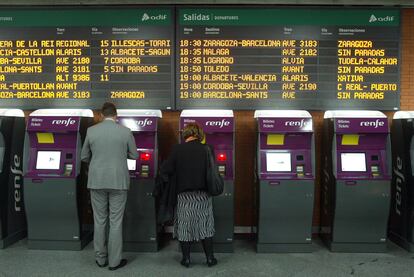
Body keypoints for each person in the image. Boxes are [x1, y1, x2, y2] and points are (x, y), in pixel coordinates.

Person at [81, 102, 138, 271]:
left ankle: (100, 259)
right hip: (118, 181)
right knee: (115, 222)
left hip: (97, 181)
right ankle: (114, 262)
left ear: (100, 115)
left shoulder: (92, 131)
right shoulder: (125, 132)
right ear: (116, 116)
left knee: (99, 221)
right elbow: (134, 155)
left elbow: (84, 156)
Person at [160, 123, 217, 268]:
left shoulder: (178, 149)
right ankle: (210, 258)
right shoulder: (207, 149)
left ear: (186, 134)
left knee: (185, 227)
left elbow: (165, 169)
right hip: (203, 195)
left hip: (184, 196)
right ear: (199, 134)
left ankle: (186, 259)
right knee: (205, 226)